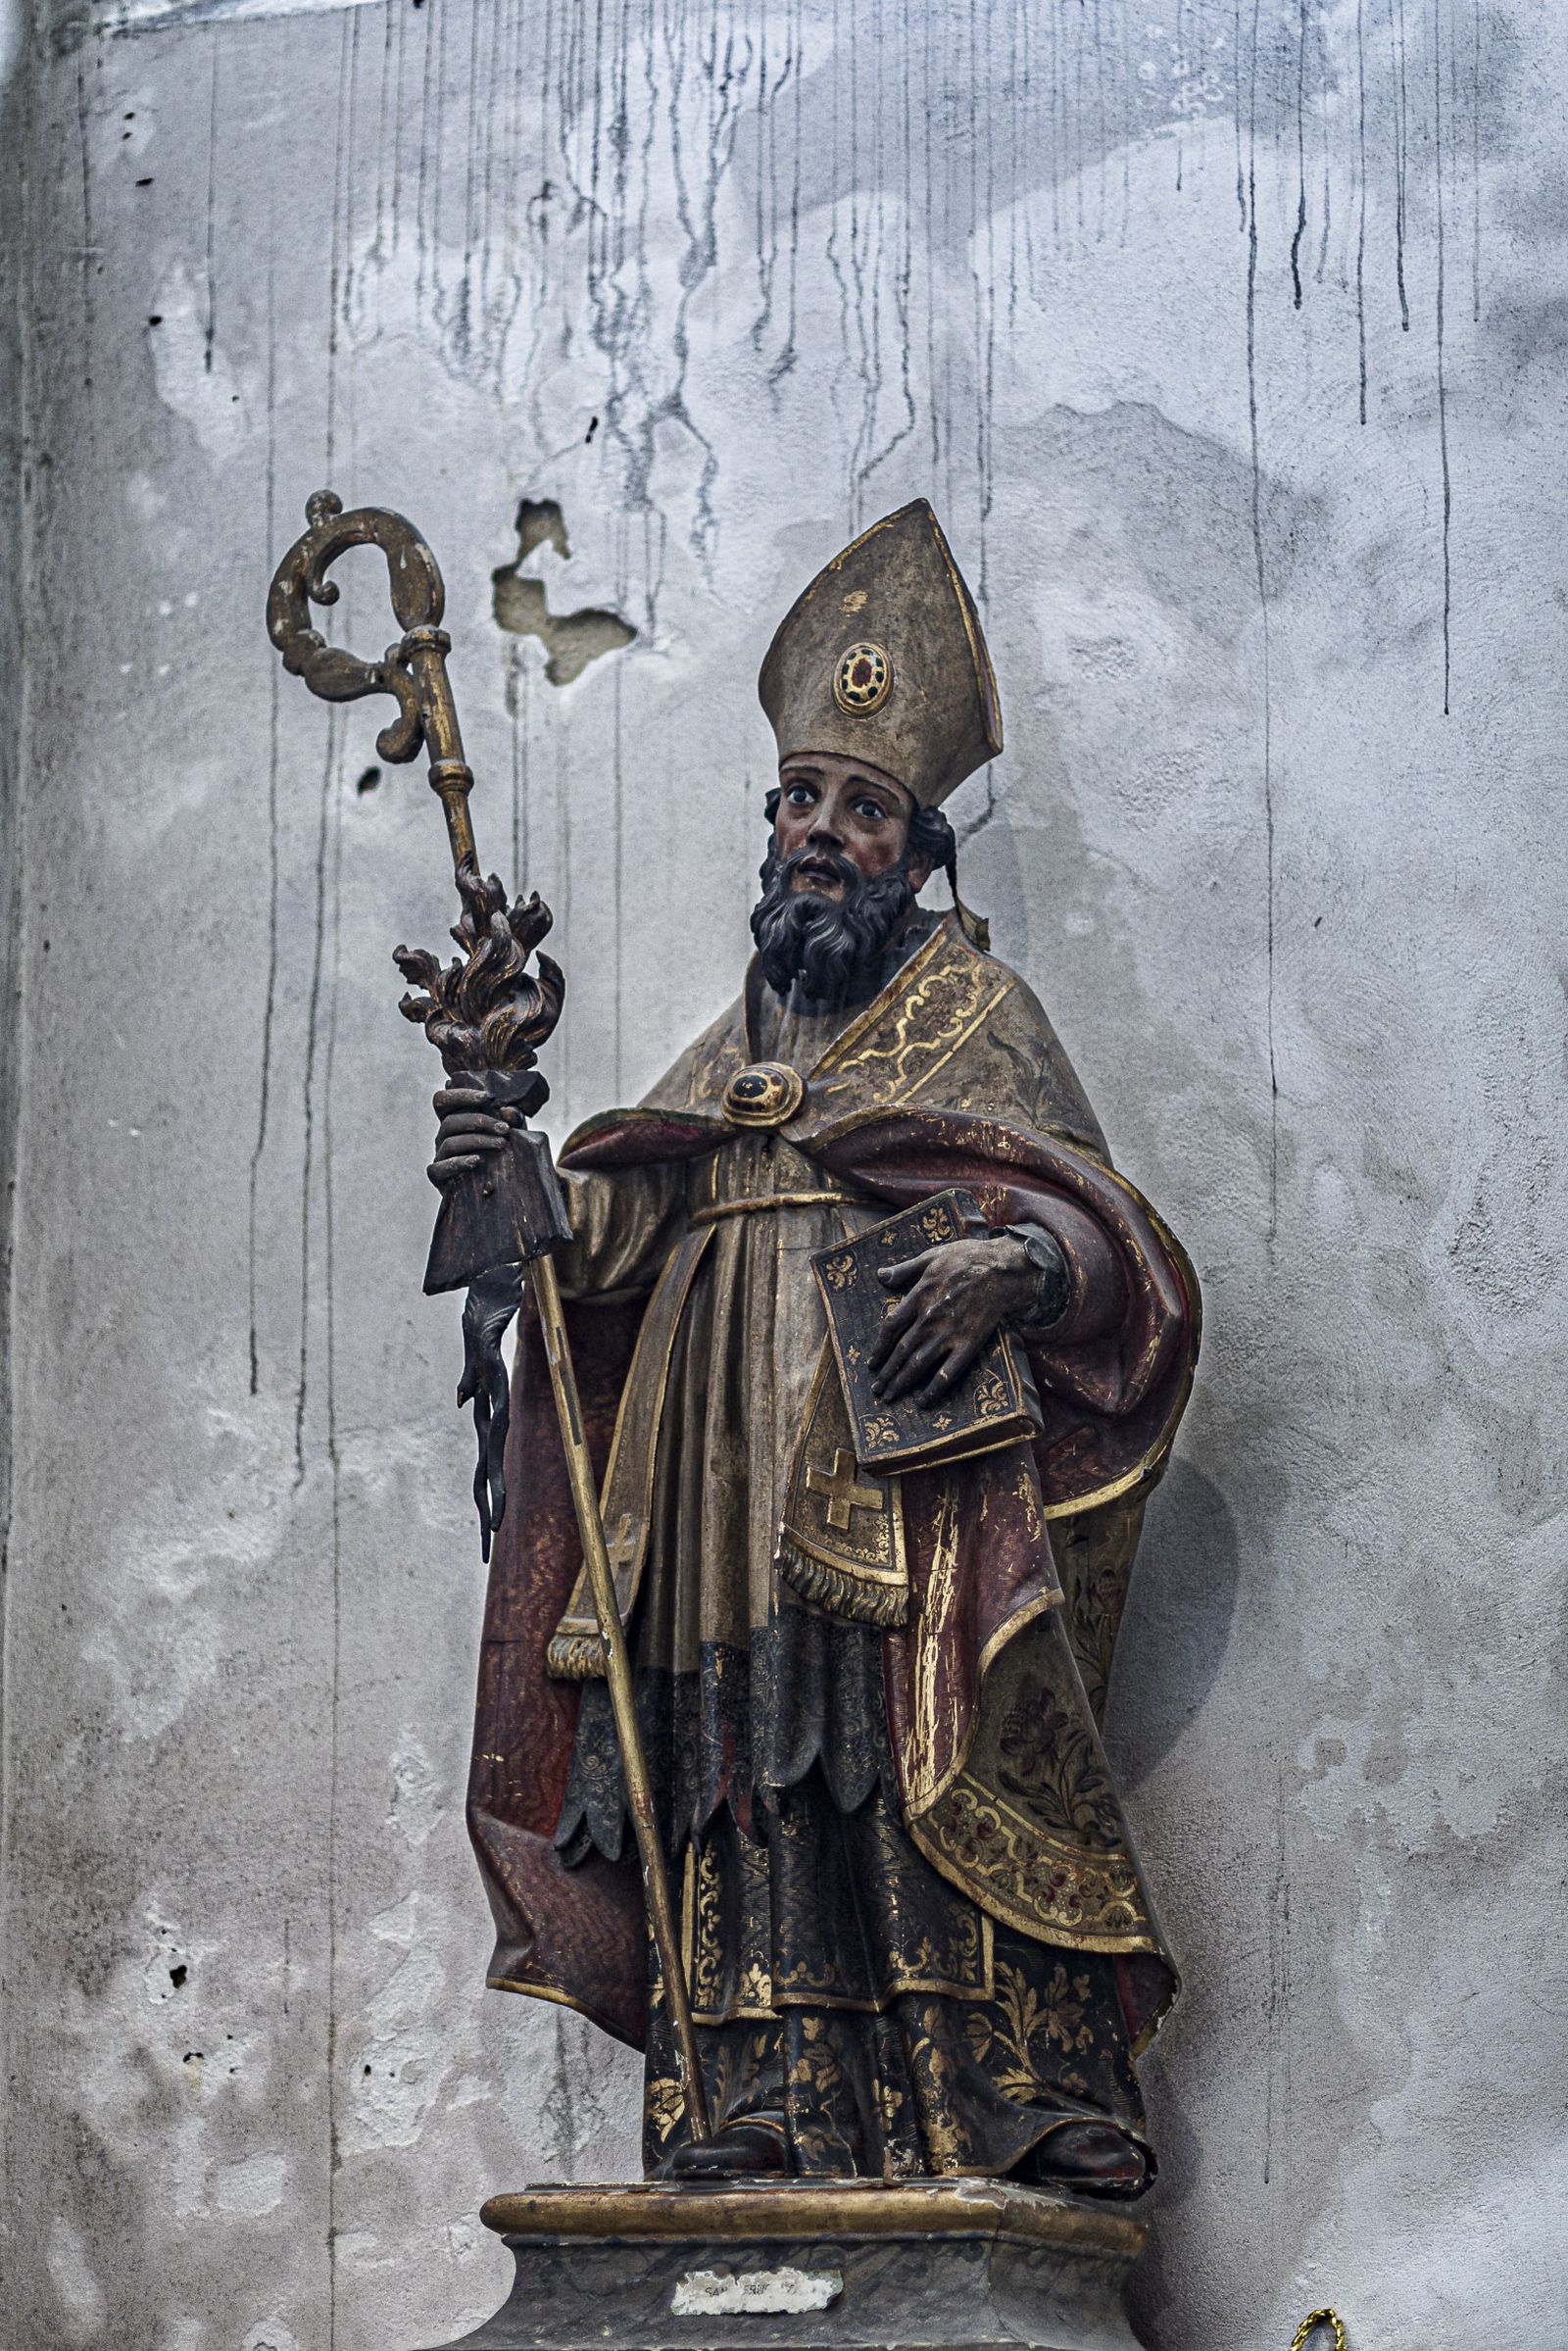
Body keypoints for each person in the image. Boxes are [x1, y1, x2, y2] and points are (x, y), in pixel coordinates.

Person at [436, 502, 1199, 2194]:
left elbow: (1104, 1238)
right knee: (744, 1756)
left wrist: (1011, 1259)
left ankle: (1005, 2087)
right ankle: (767, 2087)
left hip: (906, 1470)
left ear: (917, 853)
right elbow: (605, 1257)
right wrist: (510, 1152)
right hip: (716, 1485)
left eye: (861, 808)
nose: (818, 832)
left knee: (922, 1744)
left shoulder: (972, 1020)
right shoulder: (730, 1050)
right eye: (800, 800)